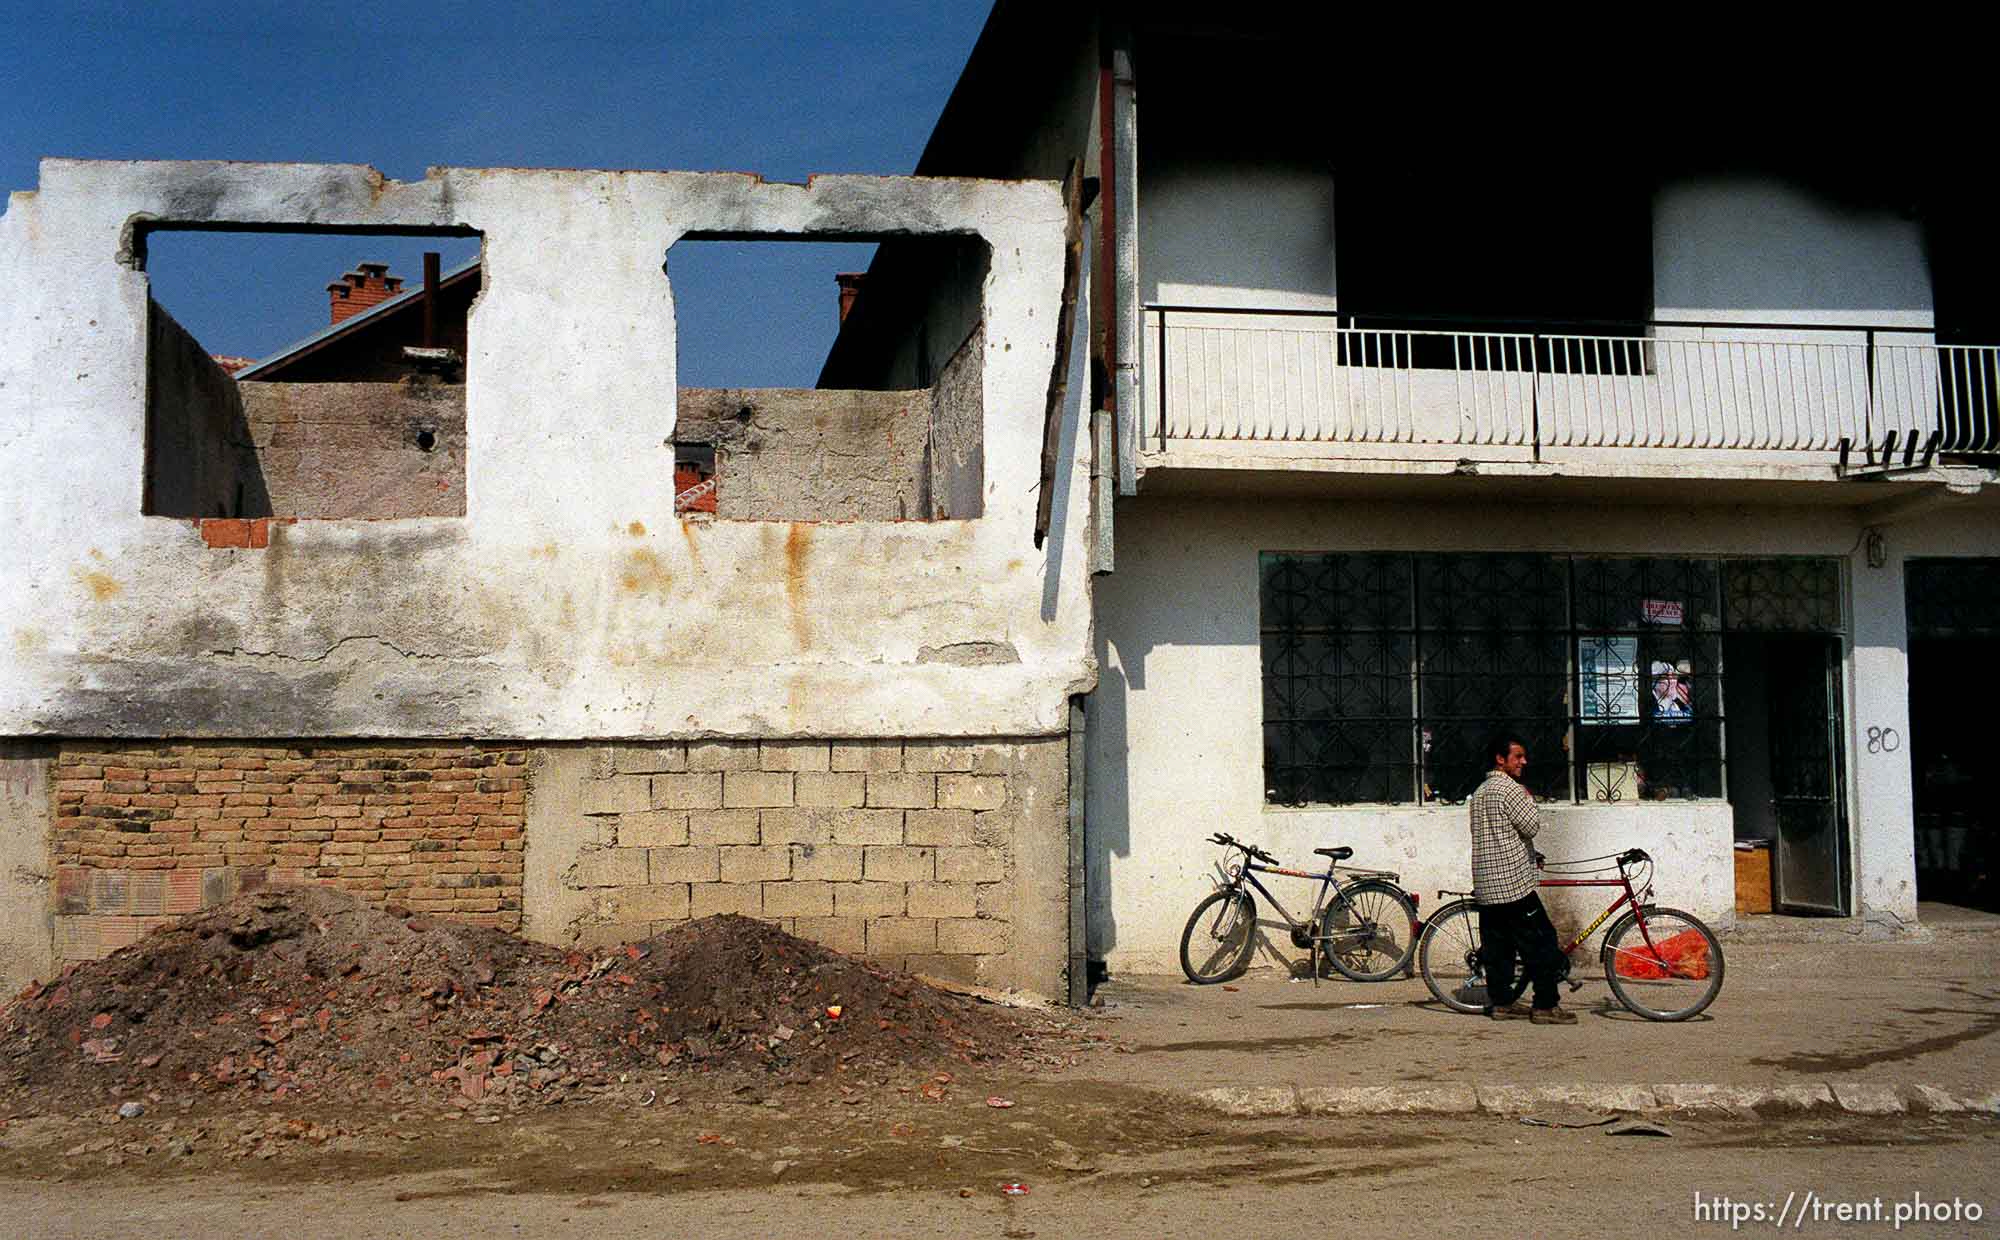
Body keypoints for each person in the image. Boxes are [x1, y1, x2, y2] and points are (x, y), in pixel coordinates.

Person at [1469, 733, 1575, 1025]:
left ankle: (1502, 1003)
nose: (1524, 761)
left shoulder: (1480, 792)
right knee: (1541, 943)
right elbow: (1530, 826)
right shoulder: (1511, 790)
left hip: (1488, 884)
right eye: (1518, 756)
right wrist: (1528, 797)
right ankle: (1545, 1005)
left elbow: (1496, 834)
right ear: (1500, 760)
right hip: (1513, 883)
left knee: (1498, 949)